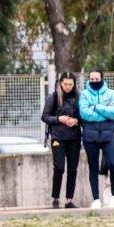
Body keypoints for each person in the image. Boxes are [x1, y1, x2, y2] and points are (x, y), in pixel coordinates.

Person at [78, 69, 114, 208]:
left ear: (102, 78)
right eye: (91, 79)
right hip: (90, 136)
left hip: (108, 134)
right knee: (93, 167)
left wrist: (96, 107)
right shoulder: (84, 95)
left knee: (113, 164)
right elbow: (84, 113)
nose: (94, 81)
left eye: (96, 78)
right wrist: (105, 112)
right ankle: (96, 199)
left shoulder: (111, 93)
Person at [41, 70, 82, 209]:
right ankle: (55, 198)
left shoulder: (79, 97)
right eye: (65, 84)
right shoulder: (53, 97)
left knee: (73, 169)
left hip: (74, 138)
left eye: (71, 84)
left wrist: (76, 121)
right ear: (60, 83)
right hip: (58, 137)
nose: (68, 86)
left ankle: (69, 200)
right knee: (59, 167)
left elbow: (84, 116)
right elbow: (45, 117)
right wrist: (60, 119)